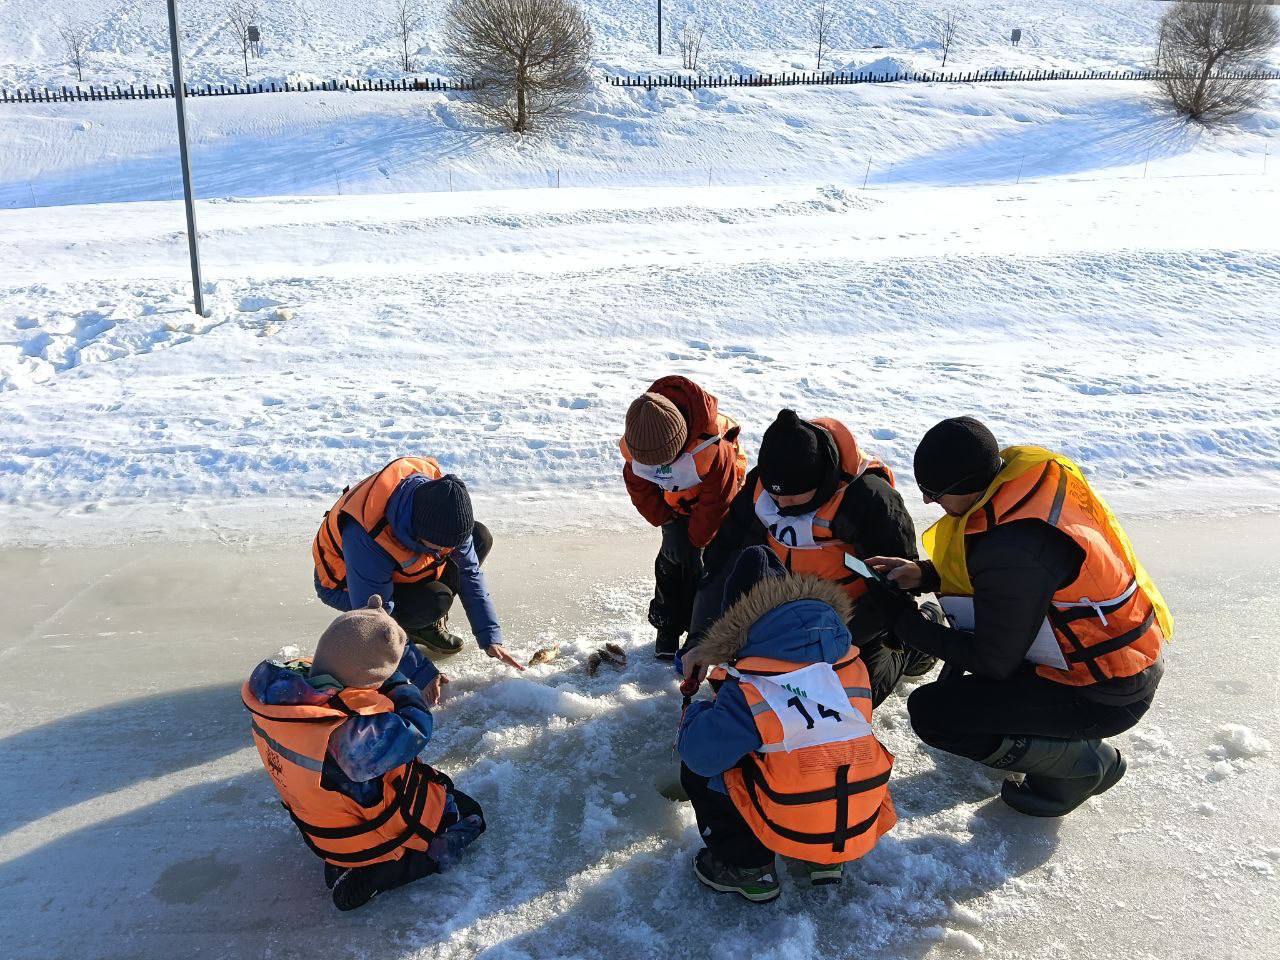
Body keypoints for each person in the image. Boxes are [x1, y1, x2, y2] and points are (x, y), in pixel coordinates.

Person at [865, 416, 1172, 817]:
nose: (926, 502)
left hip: (1102, 691)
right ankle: (1039, 740)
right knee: (959, 679)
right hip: (1114, 658)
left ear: (967, 485)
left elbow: (993, 660)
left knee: (935, 714)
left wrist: (903, 622)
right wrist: (924, 574)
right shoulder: (1019, 490)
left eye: (934, 493)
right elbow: (1019, 581)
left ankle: (1082, 766)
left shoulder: (1014, 547)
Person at [676, 548, 896, 902]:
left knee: (704, 765)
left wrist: (697, 711)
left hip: (798, 816)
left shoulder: (750, 687)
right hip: (856, 818)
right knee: (828, 749)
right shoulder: (851, 663)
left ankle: (748, 868)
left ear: (735, 620)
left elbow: (701, 754)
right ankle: (823, 861)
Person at [242, 596, 487, 910]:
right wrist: (396, 682)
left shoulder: (280, 699)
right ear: (369, 677)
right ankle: (382, 871)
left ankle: (344, 860)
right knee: (470, 814)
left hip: (322, 826)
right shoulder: (350, 736)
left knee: (440, 785)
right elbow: (417, 727)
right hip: (364, 837)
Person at [690, 409, 933, 704]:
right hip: (783, 614)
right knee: (742, 689)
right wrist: (701, 638)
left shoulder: (868, 498)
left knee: (846, 699)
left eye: (793, 497)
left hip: (855, 619)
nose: (781, 505)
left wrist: (824, 645)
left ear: (821, 481)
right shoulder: (762, 486)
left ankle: (914, 647)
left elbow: (890, 588)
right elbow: (724, 558)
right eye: (775, 496)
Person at [312, 456, 523, 677]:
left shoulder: (445, 504)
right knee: (434, 601)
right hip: (344, 585)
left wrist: (490, 638)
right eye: (440, 546)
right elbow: (375, 621)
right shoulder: (366, 533)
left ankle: (421, 624)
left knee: (479, 537)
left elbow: (469, 573)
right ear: (419, 531)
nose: (447, 551)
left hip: (397, 563)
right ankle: (413, 627)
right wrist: (424, 676)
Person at [620, 377, 748, 659]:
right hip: (675, 509)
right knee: (669, 563)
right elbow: (640, 488)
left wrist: (696, 541)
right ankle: (666, 626)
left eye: (663, 462)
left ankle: (698, 630)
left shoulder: (714, 450)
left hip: (713, 513)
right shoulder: (640, 438)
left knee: (707, 569)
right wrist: (668, 525)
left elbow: (718, 501)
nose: (656, 469)